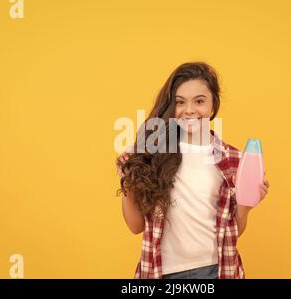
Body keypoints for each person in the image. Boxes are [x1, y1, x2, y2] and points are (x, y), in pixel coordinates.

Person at [116, 62, 270, 279]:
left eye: (199, 101)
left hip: (216, 270)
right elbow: (135, 226)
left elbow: (231, 233)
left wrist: (245, 208)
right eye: (180, 102)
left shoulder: (233, 159)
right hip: (161, 271)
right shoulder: (152, 155)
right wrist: (128, 180)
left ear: (213, 104)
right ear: (171, 106)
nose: (189, 110)